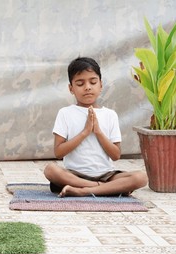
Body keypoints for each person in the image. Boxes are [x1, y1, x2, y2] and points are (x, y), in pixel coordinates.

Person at [43, 57, 148, 197]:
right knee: (50, 170)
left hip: (106, 174)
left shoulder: (110, 115)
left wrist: (97, 132)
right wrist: (85, 132)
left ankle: (84, 191)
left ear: (101, 85)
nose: (87, 87)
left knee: (141, 177)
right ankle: (103, 189)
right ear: (71, 88)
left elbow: (115, 155)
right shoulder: (65, 113)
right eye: (80, 83)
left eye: (93, 82)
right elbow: (59, 152)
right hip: (75, 174)